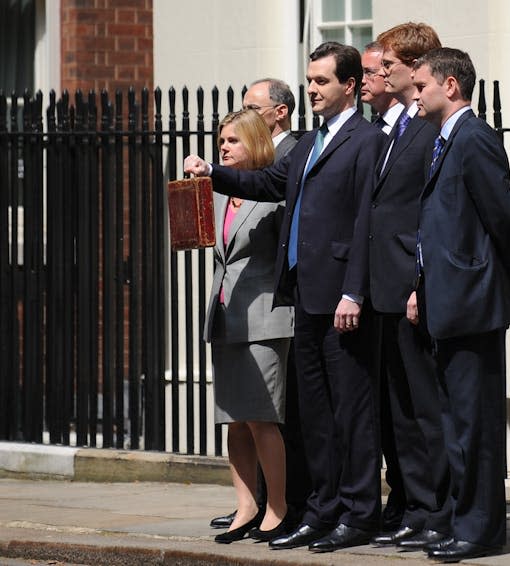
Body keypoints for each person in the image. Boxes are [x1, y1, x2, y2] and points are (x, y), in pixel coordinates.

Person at [184, 42, 386, 553]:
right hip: (305, 296)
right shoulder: (311, 142)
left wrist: (354, 291)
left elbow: (367, 222)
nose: (313, 89)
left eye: (321, 81)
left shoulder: (366, 141)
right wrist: (214, 173)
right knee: (314, 416)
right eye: (310, 80)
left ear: (350, 86)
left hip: (342, 298)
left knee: (351, 412)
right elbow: (272, 181)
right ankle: (321, 510)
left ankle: (358, 513)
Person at [408, 47, 510, 562]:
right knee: (454, 424)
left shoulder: (474, 137)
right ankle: (462, 521)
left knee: (475, 423)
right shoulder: (444, 140)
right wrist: (421, 286)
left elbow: (504, 216)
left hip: (473, 301)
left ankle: (480, 530)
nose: (415, 95)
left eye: (421, 86)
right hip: (447, 300)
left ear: (451, 87)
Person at [366, 22, 452, 551]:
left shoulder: (426, 127)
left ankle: (437, 510)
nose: (380, 68)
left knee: (425, 409)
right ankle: (415, 506)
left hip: (411, 287)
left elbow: (427, 213)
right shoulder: (396, 127)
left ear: (414, 64)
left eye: (389, 62)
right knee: (400, 410)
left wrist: (419, 281)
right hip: (384, 287)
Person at [210, 78, 310, 532]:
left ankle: (278, 507)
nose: (224, 149)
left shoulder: (273, 195)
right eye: (220, 142)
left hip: (266, 318)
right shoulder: (216, 195)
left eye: (232, 141)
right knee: (233, 420)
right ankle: (245, 506)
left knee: (262, 419)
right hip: (225, 317)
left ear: (253, 142)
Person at [360, 39, 406, 535]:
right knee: (384, 405)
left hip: (400, 287)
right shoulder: (375, 132)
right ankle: (397, 498)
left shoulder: (413, 131)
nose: (374, 79)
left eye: (379, 70)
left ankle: (415, 501)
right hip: (370, 288)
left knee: (407, 406)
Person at [361, 41, 404, 134]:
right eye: (361, 73)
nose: (362, 80)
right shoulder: (374, 128)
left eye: (369, 72)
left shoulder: (409, 123)